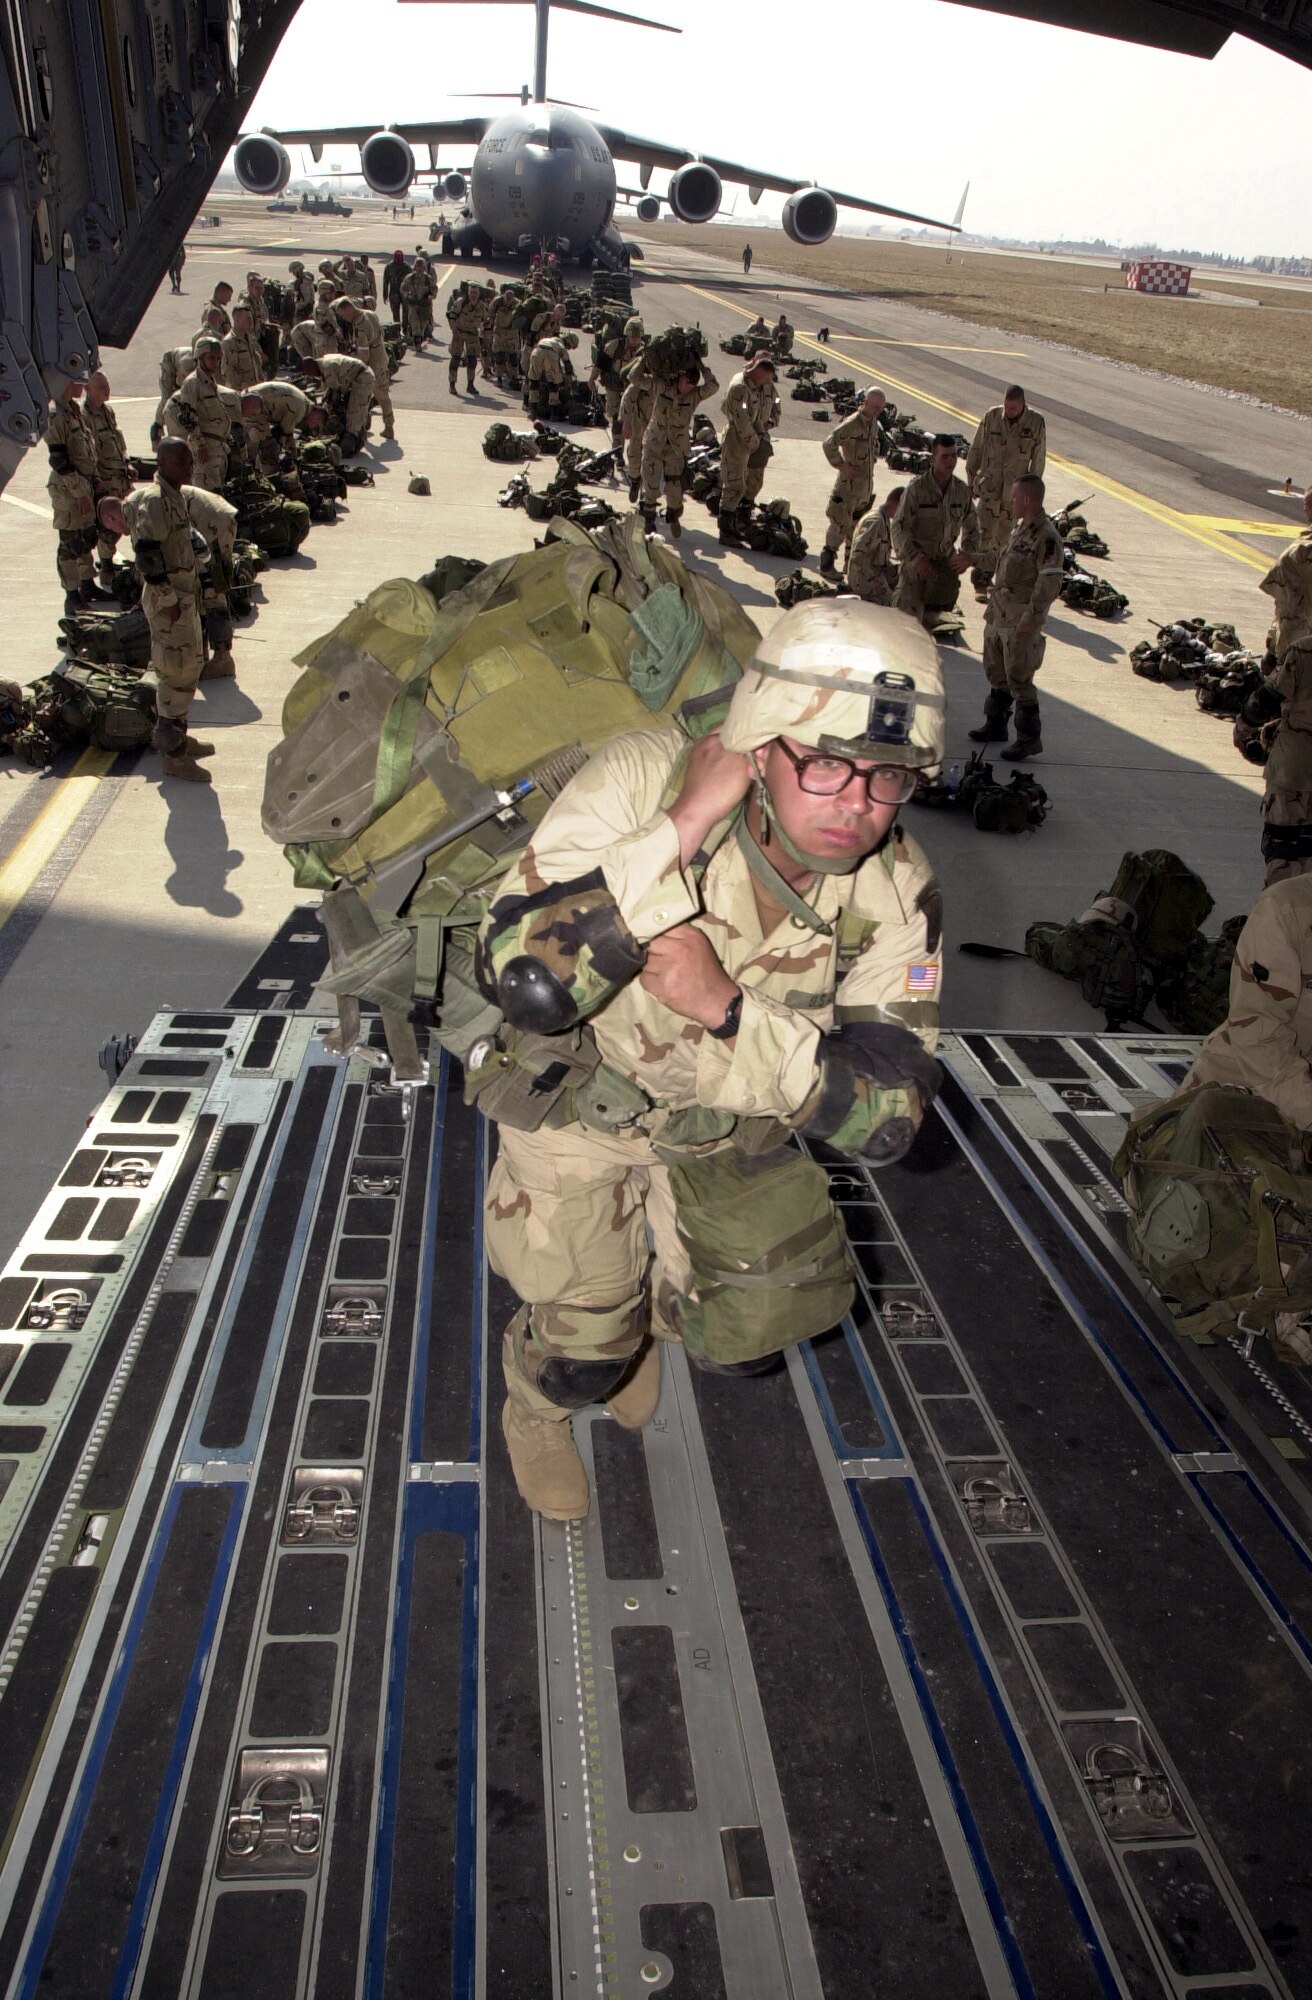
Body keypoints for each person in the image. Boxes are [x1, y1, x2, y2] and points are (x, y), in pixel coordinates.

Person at [475, 599, 945, 1519]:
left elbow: (888, 1120)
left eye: (887, 778)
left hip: (727, 1129)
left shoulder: (897, 888)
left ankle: (646, 1324)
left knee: (741, 1334)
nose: (856, 804)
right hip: (586, 1110)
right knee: (582, 1350)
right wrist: (684, 825)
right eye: (825, 764)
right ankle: (538, 1406)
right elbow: (528, 980)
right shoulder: (643, 781)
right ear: (760, 745)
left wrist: (725, 1009)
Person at [115, 439, 212, 783]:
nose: (189, 467)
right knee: (175, 669)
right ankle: (173, 756)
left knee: (189, 667)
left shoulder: (173, 497)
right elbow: (147, 555)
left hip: (183, 595)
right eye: (183, 462)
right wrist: (169, 601)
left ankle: (179, 736)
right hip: (170, 600)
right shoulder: (156, 502)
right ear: (165, 463)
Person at [968, 473, 1065, 761]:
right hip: (1000, 614)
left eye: (1014, 497)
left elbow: (1048, 585)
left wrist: (1030, 621)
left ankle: (1028, 739)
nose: (1010, 501)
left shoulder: (1046, 538)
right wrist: (972, 558)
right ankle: (995, 725)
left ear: (1027, 499)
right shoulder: (1020, 530)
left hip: (1019, 620)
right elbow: (1000, 560)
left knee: (1019, 678)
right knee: (997, 673)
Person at [964, 385, 1046, 600]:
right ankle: (980, 582)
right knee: (983, 534)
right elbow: (977, 448)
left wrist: (1033, 494)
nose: (1008, 411)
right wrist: (971, 479)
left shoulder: (1035, 423)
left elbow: (1038, 459)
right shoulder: (992, 416)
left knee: (1004, 538)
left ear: (1022, 404)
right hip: (989, 488)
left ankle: (1000, 579)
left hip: (1014, 494)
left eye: (1013, 408)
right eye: (1006, 406)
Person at [891, 436, 980, 630]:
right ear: (933, 458)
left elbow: (973, 527)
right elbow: (898, 527)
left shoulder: (961, 491)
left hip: (942, 572)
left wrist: (967, 555)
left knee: (931, 629)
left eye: (954, 456)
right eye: (945, 457)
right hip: (916, 570)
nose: (951, 462)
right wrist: (915, 558)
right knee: (903, 629)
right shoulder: (917, 489)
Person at [639, 360, 720, 538]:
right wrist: (643, 359)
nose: (688, 388)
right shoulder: (661, 386)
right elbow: (633, 377)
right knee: (651, 483)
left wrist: (701, 366)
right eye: (686, 383)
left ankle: (673, 515)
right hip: (654, 443)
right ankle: (649, 521)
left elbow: (714, 386)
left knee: (674, 487)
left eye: (692, 385)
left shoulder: (694, 395)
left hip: (675, 448)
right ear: (680, 378)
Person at [1260, 634, 1312, 883]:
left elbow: (1269, 696)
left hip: (1294, 766)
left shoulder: (1303, 651)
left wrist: (1246, 725)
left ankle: (1277, 916)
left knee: (1282, 848)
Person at [45, 381, 101, 611]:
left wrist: (95, 478)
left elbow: (87, 448)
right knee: (70, 542)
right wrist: (78, 492)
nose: (84, 384)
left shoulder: (73, 409)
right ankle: (71, 594)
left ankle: (87, 583)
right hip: (68, 489)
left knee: (87, 535)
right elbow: (59, 460)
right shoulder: (55, 415)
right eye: (78, 380)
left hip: (84, 482)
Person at [820, 387, 887, 575]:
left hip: (863, 489)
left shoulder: (872, 423)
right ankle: (826, 565)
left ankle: (849, 566)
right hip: (847, 488)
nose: (877, 411)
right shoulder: (852, 424)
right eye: (874, 407)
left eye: (881, 408)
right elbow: (829, 443)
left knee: (856, 529)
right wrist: (841, 465)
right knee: (839, 526)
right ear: (864, 403)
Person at [717, 353, 779, 546]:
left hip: (750, 441)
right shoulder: (740, 387)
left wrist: (765, 427)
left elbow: (760, 412)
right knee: (734, 486)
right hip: (737, 442)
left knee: (744, 485)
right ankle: (725, 532)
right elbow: (741, 420)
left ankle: (735, 526)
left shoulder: (756, 386)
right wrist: (754, 442)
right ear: (759, 371)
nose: (768, 382)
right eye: (767, 377)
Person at [82, 371, 133, 583]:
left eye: (107, 386)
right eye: (101, 387)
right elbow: (90, 453)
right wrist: (97, 481)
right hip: (105, 481)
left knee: (131, 516)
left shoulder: (107, 411)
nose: (107, 390)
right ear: (87, 389)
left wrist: (128, 463)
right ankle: (106, 567)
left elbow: (118, 442)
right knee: (109, 529)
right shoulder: (86, 417)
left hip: (121, 477)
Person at [163, 335, 231, 491]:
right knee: (206, 496)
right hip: (205, 450)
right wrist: (199, 446)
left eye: (218, 358)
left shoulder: (210, 382)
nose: (215, 362)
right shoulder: (193, 383)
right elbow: (188, 417)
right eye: (211, 358)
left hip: (217, 447)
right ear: (200, 358)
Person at [1259, 485, 1312, 658]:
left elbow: (1286, 596)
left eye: (1307, 504)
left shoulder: (1301, 550)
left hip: (1299, 629)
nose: (1305, 509)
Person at [334, 298, 395, 441]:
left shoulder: (360, 327)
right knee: (383, 396)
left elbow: (364, 354)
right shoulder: (370, 314)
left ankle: (362, 426)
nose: (344, 318)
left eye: (343, 315)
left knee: (363, 396)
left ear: (349, 309)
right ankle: (389, 426)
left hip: (373, 365)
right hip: (382, 358)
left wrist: (354, 367)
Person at [299, 353, 376, 454]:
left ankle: (350, 439)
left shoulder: (327, 368)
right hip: (354, 377)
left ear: (311, 367)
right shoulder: (323, 363)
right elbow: (331, 391)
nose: (311, 376)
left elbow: (334, 393)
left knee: (355, 410)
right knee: (348, 407)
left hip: (363, 378)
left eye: (309, 372)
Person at [239, 381, 325, 467]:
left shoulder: (302, 400)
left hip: (250, 398)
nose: (311, 426)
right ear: (317, 416)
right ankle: (265, 474)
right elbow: (285, 433)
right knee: (269, 445)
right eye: (316, 425)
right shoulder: (300, 410)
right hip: (253, 405)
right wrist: (293, 456)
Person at [591, 315, 645, 445]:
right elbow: (600, 363)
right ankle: (617, 449)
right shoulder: (615, 345)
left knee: (634, 418)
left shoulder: (644, 350)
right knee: (616, 417)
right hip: (614, 386)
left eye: (637, 337)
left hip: (632, 388)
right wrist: (592, 379)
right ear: (627, 334)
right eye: (632, 337)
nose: (634, 340)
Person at [847, 487, 904, 605]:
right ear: (897, 504)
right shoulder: (875, 521)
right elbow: (857, 554)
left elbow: (878, 556)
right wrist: (872, 579)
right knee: (894, 606)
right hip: (864, 578)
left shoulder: (885, 519)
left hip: (875, 571)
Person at [619, 360, 656, 507]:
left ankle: (646, 497)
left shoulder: (666, 384)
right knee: (634, 456)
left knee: (652, 461)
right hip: (638, 423)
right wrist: (626, 423)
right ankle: (635, 480)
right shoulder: (641, 384)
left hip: (656, 426)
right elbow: (627, 400)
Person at [447, 281, 488, 395]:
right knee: (455, 359)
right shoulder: (460, 303)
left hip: (473, 335)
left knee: (472, 361)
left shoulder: (482, 307)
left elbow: (487, 322)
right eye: (471, 292)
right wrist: (454, 331)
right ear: (468, 292)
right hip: (459, 333)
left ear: (479, 293)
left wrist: (486, 338)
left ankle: (470, 385)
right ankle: (452, 384)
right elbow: (451, 316)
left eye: (475, 292)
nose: (473, 294)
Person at [525, 330, 577, 418]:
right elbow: (567, 363)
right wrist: (567, 379)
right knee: (553, 385)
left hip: (536, 352)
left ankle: (533, 412)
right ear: (568, 341)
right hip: (550, 354)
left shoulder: (547, 340)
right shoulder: (560, 344)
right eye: (569, 347)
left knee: (534, 382)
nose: (568, 349)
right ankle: (554, 415)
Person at [221, 305, 264, 392]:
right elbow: (227, 370)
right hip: (238, 392)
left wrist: (262, 379)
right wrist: (242, 385)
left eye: (251, 319)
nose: (251, 322)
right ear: (237, 320)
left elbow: (257, 362)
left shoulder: (251, 339)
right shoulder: (229, 342)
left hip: (254, 389)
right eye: (248, 319)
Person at [383, 249, 407, 322]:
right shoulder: (389, 267)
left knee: (406, 313)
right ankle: (397, 329)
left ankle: (405, 329)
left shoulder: (407, 267)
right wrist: (385, 295)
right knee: (395, 314)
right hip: (394, 294)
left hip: (405, 293)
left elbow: (411, 281)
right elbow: (385, 281)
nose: (399, 261)